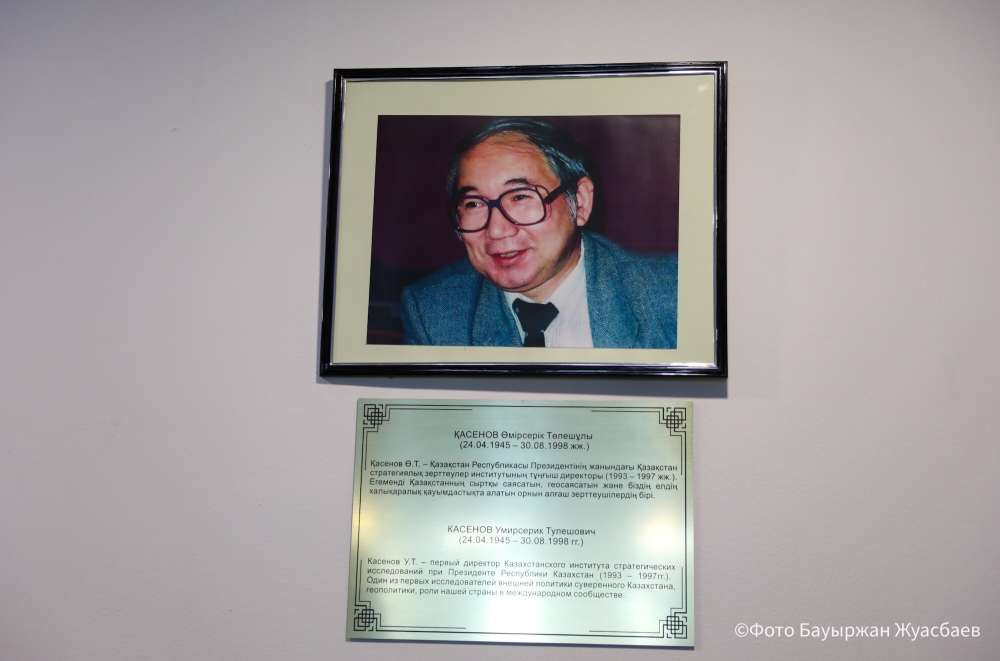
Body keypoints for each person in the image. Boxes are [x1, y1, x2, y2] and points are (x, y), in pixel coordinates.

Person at [400, 118, 677, 348]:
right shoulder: (433, 312)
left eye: (521, 197)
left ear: (580, 202)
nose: (496, 230)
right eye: (474, 204)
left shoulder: (671, 295)